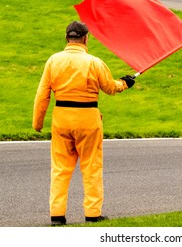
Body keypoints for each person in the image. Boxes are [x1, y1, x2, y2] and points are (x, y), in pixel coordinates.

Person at [32, 21, 135, 226]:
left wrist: (38, 123)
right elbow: (109, 87)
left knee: (60, 168)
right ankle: (92, 213)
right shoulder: (94, 62)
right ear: (86, 38)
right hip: (88, 117)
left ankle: (57, 214)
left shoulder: (53, 61)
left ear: (66, 38)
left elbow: (42, 94)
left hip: (61, 117)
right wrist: (125, 83)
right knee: (91, 167)